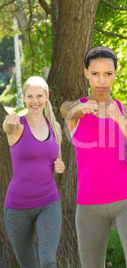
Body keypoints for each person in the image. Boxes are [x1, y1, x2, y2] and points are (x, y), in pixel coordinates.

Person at [60, 46, 127, 267]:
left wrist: (119, 118)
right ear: (86, 73)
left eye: (108, 74)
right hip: (89, 204)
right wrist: (84, 108)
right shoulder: (72, 109)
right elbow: (70, 111)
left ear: (115, 74)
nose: (102, 81)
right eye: (95, 74)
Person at [3, 76, 65, 268]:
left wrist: (60, 166)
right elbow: (7, 126)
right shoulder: (17, 126)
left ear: (46, 97)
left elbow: (57, 158)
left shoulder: (54, 126)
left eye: (39, 95)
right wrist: (8, 119)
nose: (35, 101)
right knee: (28, 264)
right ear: (24, 98)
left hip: (49, 202)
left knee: (48, 261)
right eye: (30, 96)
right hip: (17, 208)